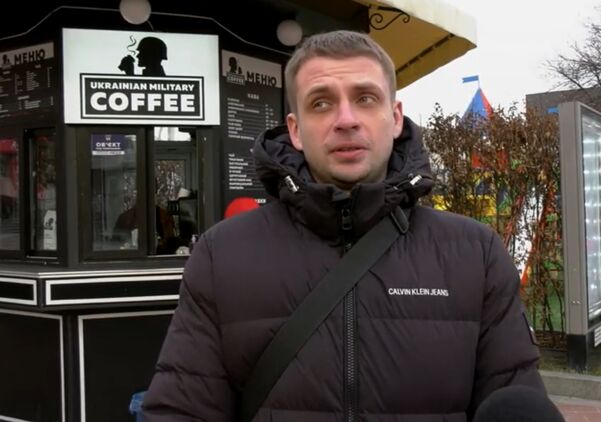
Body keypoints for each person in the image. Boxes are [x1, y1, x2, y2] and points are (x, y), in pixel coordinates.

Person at [142, 30, 545, 420]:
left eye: (365, 98)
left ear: (395, 117)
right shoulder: (222, 255)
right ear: (296, 131)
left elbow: (514, 397)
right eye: (321, 103)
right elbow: (181, 410)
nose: (346, 119)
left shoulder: (474, 254)